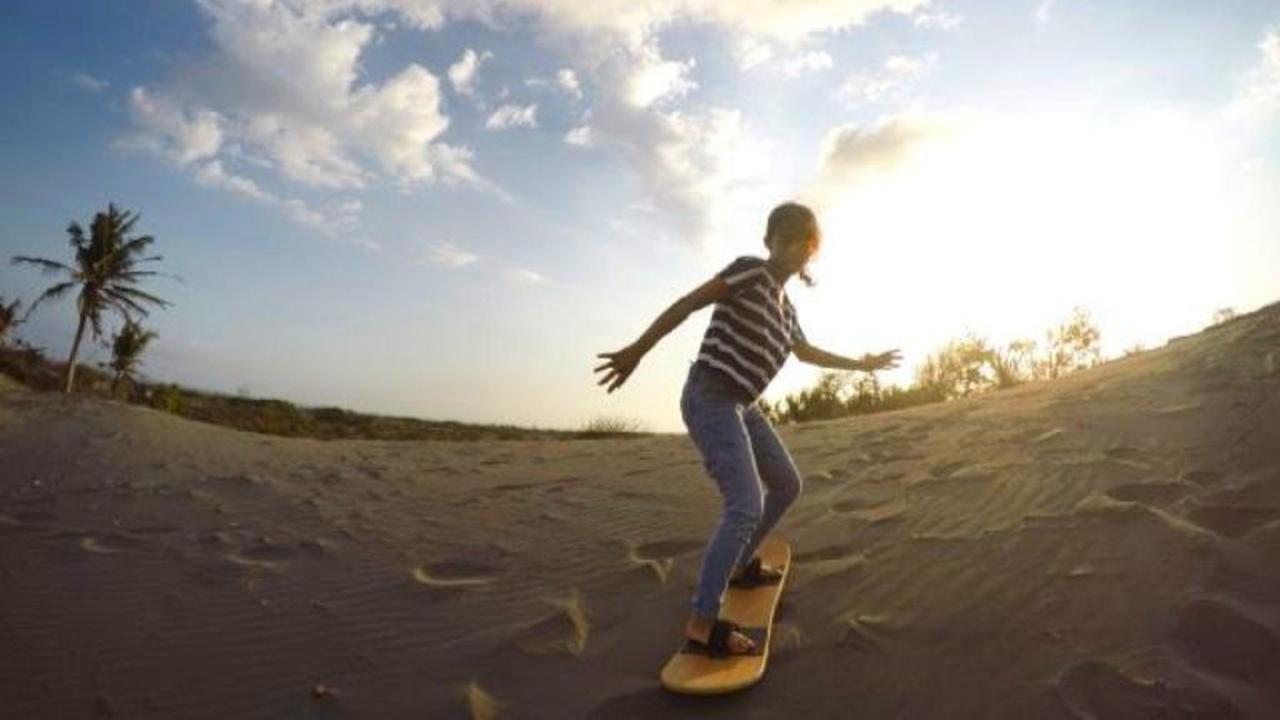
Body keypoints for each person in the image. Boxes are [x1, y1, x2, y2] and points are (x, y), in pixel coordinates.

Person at [594, 201, 902, 656]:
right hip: (710, 396)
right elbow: (687, 304)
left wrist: (863, 365)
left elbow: (808, 353)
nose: (793, 247)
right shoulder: (750, 272)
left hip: (744, 406)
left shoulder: (789, 311)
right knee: (744, 504)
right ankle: (701, 624)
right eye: (785, 237)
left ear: (811, 250)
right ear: (769, 241)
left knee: (788, 484)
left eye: (804, 240)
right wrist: (638, 349)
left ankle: (738, 565)